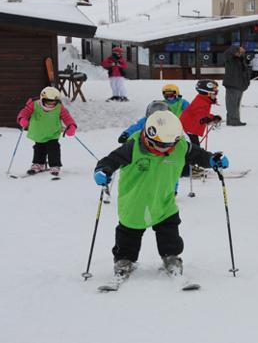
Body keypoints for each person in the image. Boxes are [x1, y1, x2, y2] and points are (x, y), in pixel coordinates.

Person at [93, 110, 229, 278]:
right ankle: (124, 260)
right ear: (149, 137)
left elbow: (198, 155)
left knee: (169, 230)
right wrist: (102, 171)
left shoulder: (179, 146)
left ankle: (171, 257)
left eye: (171, 143)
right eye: (163, 145)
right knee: (128, 233)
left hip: (164, 200)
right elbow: (110, 160)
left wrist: (211, 159)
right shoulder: (132, 147)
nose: (168, 148)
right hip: (135, 201)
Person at [16, 86, 77, 176]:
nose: (51, 105)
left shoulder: (59, 108)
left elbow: (67, 118)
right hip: (38, 132)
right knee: (39, 148)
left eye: (54, 102)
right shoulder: (34, 105)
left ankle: (55, 165)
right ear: (42, 99)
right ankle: (38, 164)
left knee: (54, 148)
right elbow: (24, 112)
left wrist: (71, 126)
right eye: (48, 102)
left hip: (53, 133)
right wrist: (22, 119)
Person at [117, 84, 189, 144]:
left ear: (177, 94)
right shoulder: (162, 104)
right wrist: (126, 134)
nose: (169, 98)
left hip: (176, 127)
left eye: (171, 95)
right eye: (167, 96)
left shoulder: (182, 102)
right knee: (145, 124)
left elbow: (190, 112)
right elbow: (138, 125)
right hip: (160, 129)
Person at [180, 80, 222, 147]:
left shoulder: (204, 100)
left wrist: (213, 117)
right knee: (193, 150)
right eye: (215, 93)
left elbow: (203, 113)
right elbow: (199, 115)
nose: (216, 95)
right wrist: (203, 119)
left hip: (190, 130)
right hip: (187, 131)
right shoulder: (201, 102)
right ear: (208, 93)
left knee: (195, 148)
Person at [222, 46, 250, 126]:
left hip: (240, 85)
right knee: (232, 104)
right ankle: (234, 121)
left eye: (241, 52)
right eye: (238, 52)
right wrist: (237, 48)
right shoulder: (230, 59)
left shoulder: (240, 60)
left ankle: (232, 120)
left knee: (236, 104)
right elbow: (227, 53)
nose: (240, 53)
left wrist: (246, 83)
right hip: (232, 84)